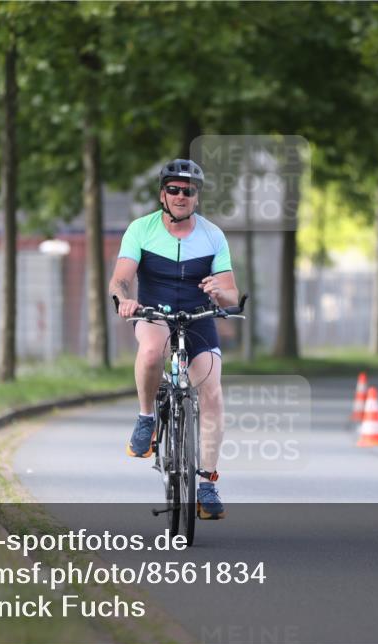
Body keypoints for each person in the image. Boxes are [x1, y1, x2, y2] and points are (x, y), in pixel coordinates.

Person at [108, 158, 239, 520]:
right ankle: (146, 417)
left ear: (197, 197)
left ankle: (208, 483)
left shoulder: (213, 235)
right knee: (151, 351)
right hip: (154, 313)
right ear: (163, 194)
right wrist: (125, 300)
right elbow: (119, 280)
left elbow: (231, 294)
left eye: (189, 191)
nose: (181, 196)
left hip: (199, 316)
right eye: (174, 190)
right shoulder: (141, 229)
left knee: (211, 390)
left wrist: (220, 292)